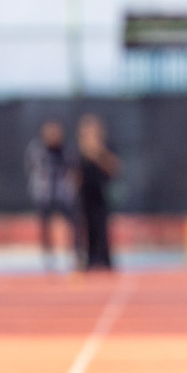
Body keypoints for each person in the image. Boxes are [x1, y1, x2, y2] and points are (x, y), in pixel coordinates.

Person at [26, 120, 75, 269]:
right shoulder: (36, 149)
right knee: (45, 227)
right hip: (44, 193)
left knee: (70, 224)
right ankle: (48, 257)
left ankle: (71, 255)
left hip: (62, 193)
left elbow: (71, 169)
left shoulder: (66, 150)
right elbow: (33, 167)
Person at [76, 114, 118, 271]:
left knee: (102, 228)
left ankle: (105, 260)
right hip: (84, 197)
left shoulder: (106, 149)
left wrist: (98, 153)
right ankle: (88, 260)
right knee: (85, 230)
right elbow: (74, 176)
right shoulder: (78, 152)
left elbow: (115, 168)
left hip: (101, 195)